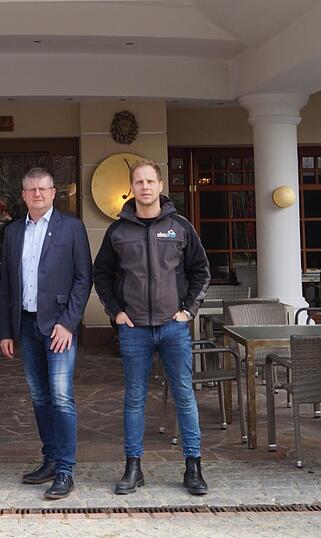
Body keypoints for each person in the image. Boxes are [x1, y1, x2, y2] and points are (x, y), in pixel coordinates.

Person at [93, 158, 211, 496]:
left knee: (185, 396)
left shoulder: (180, 227)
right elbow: (101, 274)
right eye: (139, 182)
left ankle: (193, 467)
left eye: (150, 181)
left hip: (173, 326)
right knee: (134, 399)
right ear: (133, 188)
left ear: (160, 185)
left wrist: (188, 310)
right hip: (134, 329)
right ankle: (133, 468)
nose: (145, 187)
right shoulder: (118, 231)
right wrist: (115, 311)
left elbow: (201, 271)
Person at [0, 167, 92, 500]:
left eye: (43, 188)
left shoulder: (73, 228)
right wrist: (5, 331)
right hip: (25, 325)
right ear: (23, 195)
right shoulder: (11, 232)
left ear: (54, 193)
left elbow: (84, 279)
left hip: (58, 326)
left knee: (62, 396)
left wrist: (69, 323)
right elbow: (6, 284)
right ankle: (50, 459)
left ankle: (66, 470)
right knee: (39, 396)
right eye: (31, 189)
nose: (37, 193)